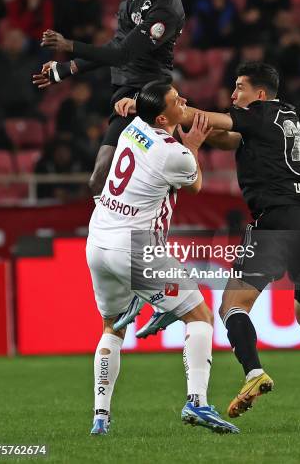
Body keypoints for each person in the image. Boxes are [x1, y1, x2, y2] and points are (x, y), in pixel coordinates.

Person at [114, 62, 300, 430]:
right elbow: (224, 136)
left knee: (231, 305)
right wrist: (187, 123)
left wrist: (150, 106)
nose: (233, 94)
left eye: (240, 88)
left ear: (259, 95)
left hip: (276, 221)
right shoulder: (285, 115)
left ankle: (254, 371)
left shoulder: (257, 114)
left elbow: (213, 119)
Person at [87, 81, 239, 435]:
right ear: (160, 115)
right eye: (175, 100)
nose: (184, 100)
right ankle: (197, 402)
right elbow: (197, 184)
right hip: (136, 247)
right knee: (200, 315)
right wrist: (195, 146)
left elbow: (133, 109)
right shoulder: (175, 153)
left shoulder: (132, 125)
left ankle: (100, 415)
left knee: (113, 327)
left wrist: (129, 103)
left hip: (98, 240)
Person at [33, 0, 185, 202]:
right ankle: (116, 232)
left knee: (116, 179)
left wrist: (69, 45)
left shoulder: (167, 9)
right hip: (124, 89)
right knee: (99, 180)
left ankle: (130, 232)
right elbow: (118, 44)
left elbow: (122, 54)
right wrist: (65, 69)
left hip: (149, 94)